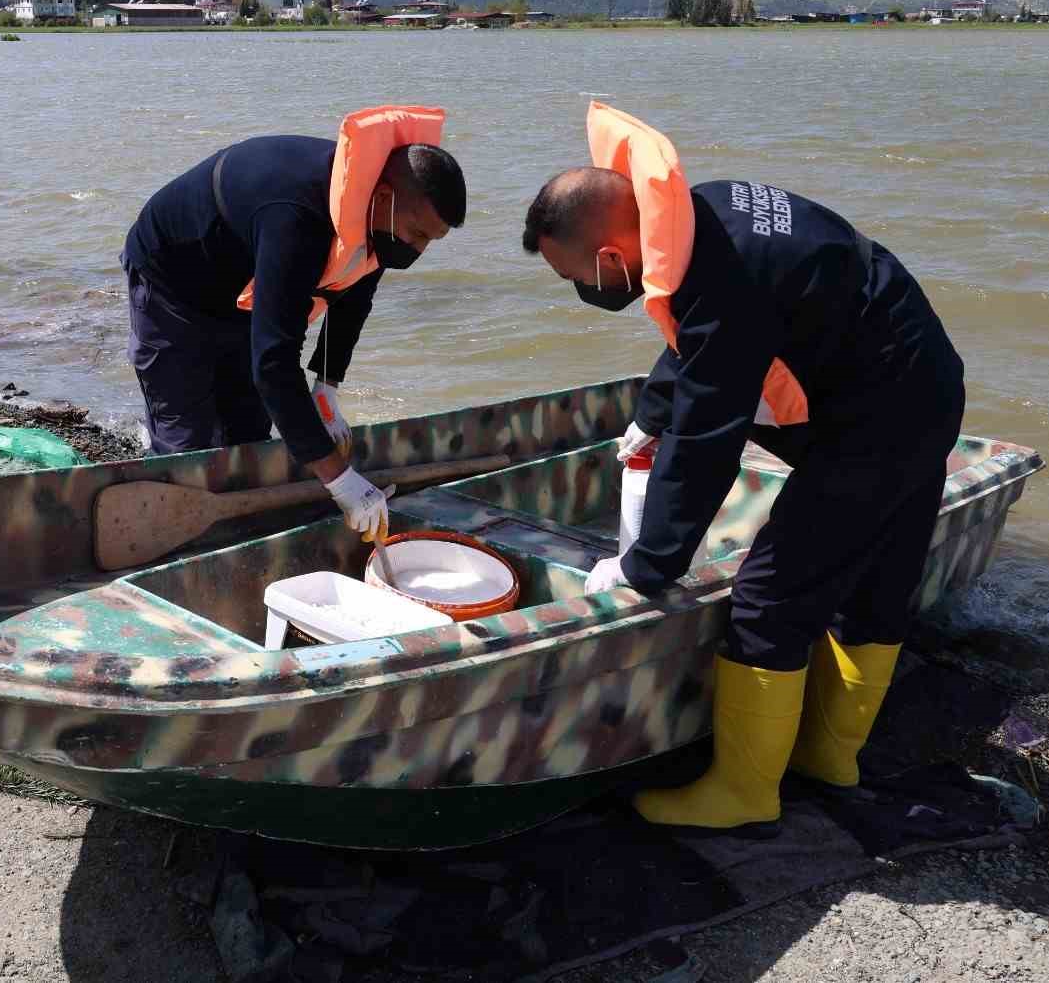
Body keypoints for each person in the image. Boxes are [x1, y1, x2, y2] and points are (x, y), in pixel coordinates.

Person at [521, 103, 966, 832]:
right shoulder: (708, 211)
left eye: (578, 274)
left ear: (609, 256)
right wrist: (650, 412)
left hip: (878, 420)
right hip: (924, 387)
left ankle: (744, 794)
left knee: (767, 599)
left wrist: (645, 568)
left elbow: (708, 439)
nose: (587, 289)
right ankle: (829, 760)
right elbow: (694, 337)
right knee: (875, 580)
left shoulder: (725, 279)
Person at [122, 106, 466, 539]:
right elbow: (275, 364)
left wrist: (327, 386)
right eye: (417, 234)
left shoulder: (377, 216)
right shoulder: (296, 217)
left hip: (241, 283)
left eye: (431, 242)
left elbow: (354, 296)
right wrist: (340, 478)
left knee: (249, 430)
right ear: (383, 199)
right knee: (188, 444)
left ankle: (239, 537)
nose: (418, 250)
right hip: (173, 281)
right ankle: (178, 548)